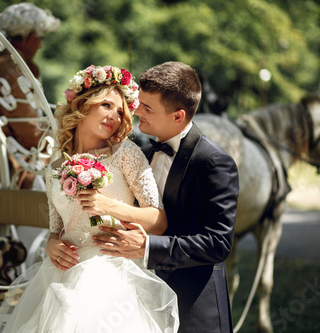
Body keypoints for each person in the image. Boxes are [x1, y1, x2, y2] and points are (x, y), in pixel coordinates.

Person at [0, 65, 179, 333]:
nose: (114, 115)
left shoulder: (125, 153)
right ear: (83, 104)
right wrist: (51, 246)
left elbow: (158, 220)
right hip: (60, 276)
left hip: (109, 274)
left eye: (121, 111)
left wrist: (111, 207)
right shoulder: (54, 167)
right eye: (106, 105)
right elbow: (56, 230)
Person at [90, 62, 239, 333]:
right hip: (138, 303)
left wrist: (148, 248)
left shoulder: (213, 162)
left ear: (178, 116)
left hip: (192, 307)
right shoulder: (143, 154)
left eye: (148, 108)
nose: (136, 111)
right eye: (139, 103)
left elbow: (218, 244)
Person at [0, 3, 60, 236]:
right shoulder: (12, 68)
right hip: (6, 171)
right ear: (28, 37)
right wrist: (64, 132)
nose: (41, 44)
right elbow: (30, 132)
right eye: (40, 37)